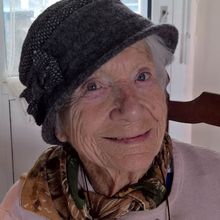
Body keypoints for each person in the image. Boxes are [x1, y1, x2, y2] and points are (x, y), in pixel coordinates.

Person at [1, 0, 220, 219]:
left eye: (142, 76)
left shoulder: (214, 182)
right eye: (93, 86)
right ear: (59, 123)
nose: (132, 109)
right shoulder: (25, 208)